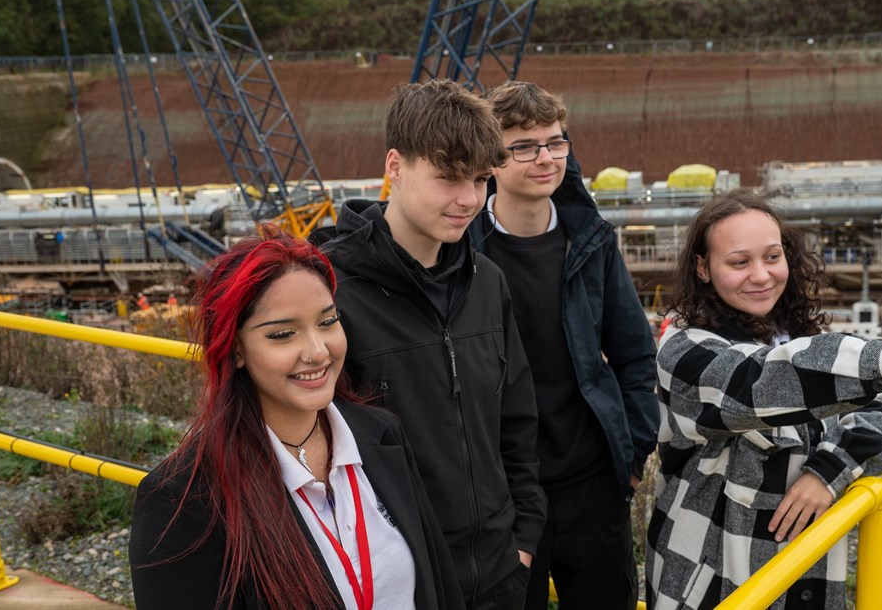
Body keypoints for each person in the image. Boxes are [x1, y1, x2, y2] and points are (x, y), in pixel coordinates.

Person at [646, 189, 882, 609]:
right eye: (740, 262)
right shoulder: (684, 350)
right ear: (703, 268)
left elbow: (880, 416)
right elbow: (760, 383)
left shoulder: (797, 338)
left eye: (772, 257)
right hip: (713, 587)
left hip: (803, 580)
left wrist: (827, 471)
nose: (761, 275)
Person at [129, 225, 463, 610]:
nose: (318, 351)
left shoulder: (382, 434)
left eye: (327, 322)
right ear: (234, 349)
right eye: (283, 334)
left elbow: (438, 584)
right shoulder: (185, 499)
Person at [318, 79, 546, 609]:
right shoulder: (331, 292)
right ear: (395, 166)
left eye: (481, 180)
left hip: (498, 572)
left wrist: (524, 538)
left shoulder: (487, 281)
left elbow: (515, 419)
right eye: (448, 178)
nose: (468, 199)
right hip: (396, 579)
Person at [468, 80, 657, 610]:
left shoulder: (592, 240)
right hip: (502, 493)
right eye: (523, 146)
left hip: (592, 485)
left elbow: (634, 352)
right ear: (490, 160)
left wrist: (636, 447)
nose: (545, 158)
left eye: (554, 142)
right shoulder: (461, 252)